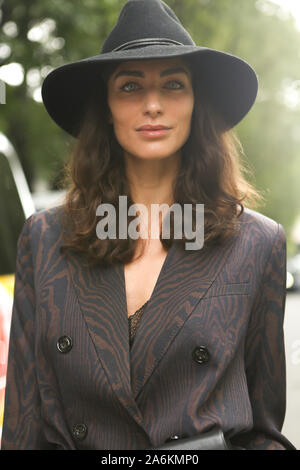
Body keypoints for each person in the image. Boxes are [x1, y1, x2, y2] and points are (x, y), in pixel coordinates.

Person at [1, 0, 296, 450]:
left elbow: (262, 431)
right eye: (130, 85)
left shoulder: (258, 244)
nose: (153, 104)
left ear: (196, 103)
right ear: (106, 106)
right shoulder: (44, 240)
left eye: (173, 84)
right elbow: (22, 428)